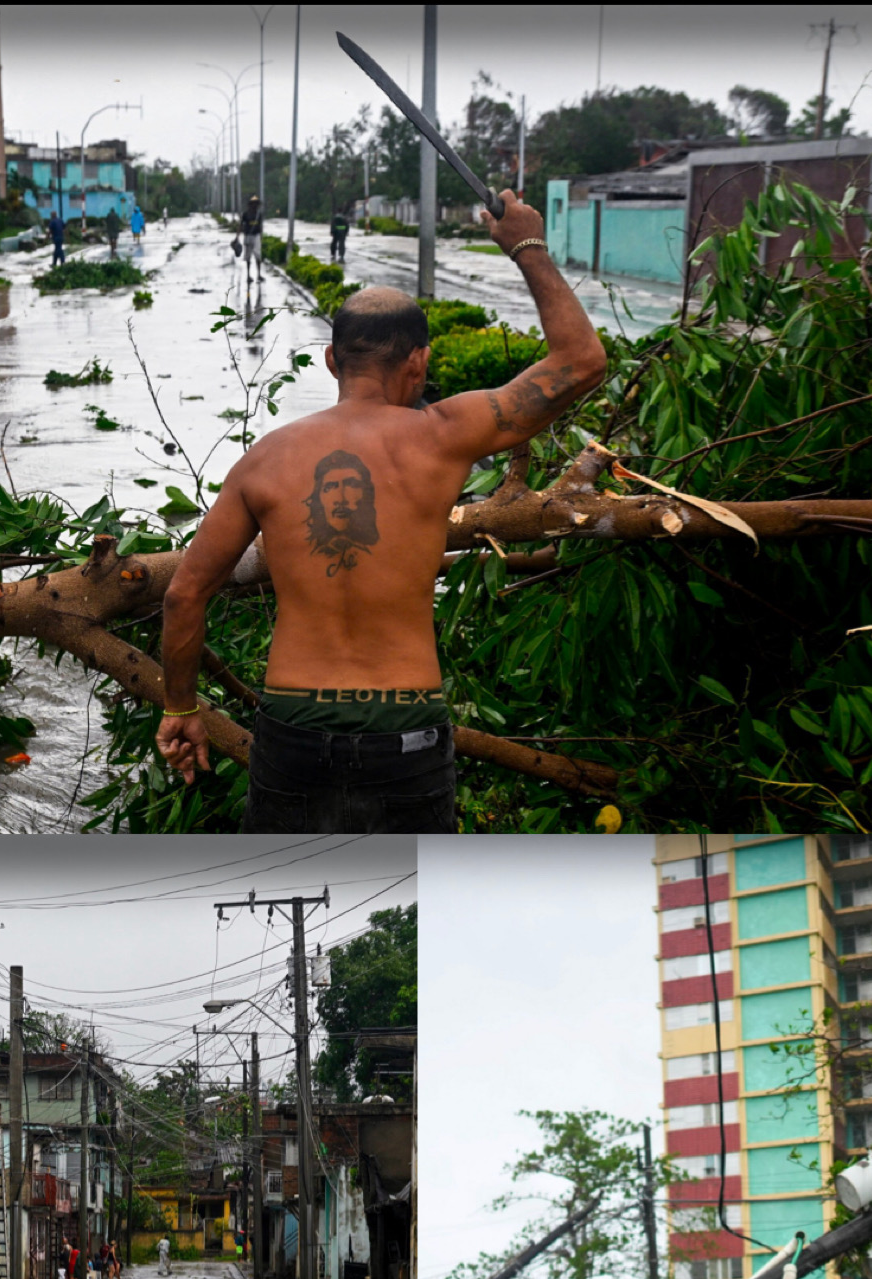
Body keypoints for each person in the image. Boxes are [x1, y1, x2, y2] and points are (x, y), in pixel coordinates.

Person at [156, 190, 606, 834]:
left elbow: (184, 594)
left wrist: (180, 706)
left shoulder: (266, 460)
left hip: (293, 727)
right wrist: (527, 246)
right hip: (408, 727)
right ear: (420, 362)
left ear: (334, 360)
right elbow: (582, 362)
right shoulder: (444, 434)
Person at [240, 195, 263, 281]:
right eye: (253, 204)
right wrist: (237, 237)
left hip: (256, 235)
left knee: (258, 255)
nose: (255, 205)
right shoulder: (245, 214)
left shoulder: (259, 214)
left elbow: (260, 226)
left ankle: (259, 274)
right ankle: (248, 276)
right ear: (250, 205)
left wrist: (261, 236)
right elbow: (241, 225)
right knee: (248, 256)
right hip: (248, 236)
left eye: (256, 204)